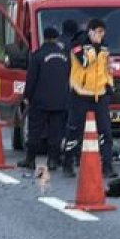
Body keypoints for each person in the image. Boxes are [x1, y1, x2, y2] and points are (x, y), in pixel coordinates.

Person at [62, 19, 116, 178]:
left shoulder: (105, 47)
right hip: (80, 94)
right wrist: (95, 48)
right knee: (74, 131)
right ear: (90, 31)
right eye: (98, 32)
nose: (101, 35)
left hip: (99, 94)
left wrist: (109, 84)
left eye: (103, 32)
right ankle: (68, 162)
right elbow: (84, 62)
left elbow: (107, 68)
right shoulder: (77, 44)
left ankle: (107, 166)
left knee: (105, 132)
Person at [20, 27, 70, 172]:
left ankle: (30, 160)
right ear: (56, 38)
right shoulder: (66, 56)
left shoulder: (37, 56)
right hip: (60, 101)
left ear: (45, 38)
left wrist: (27, 96)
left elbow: (31, 79)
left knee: (35, 131)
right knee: (56, 132)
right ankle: (53, 160)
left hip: (39, 101)